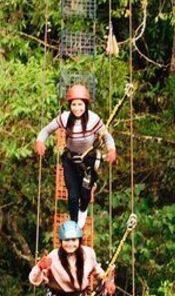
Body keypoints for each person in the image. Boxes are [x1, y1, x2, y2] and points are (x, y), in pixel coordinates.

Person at [35, 84, 117, 229]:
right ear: (70, 105)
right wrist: (40, 141)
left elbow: (107, 136)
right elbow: (47, 130)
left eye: (80, 104)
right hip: (71, 160)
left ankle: (83, 210)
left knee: (85, 195)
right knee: (73, 196)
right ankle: (74, 223)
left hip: (88, 161)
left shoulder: (93, 119)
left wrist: (111, 149)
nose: (77, 108)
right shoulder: (65, 118)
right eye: (74, 104)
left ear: (85, 105)